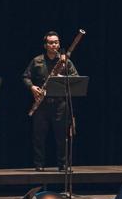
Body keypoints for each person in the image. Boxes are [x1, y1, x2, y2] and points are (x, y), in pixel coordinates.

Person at [22, 31, 79, 171]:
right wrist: (32, 87)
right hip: (42, 104)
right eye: (51, 42)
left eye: (56, 42)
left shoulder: (65, 61)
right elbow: (26, 77)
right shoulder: (37, 61)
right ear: (45, 45)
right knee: (39, 136)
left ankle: (63, 164)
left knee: (62, 136)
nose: (54, 45)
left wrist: (61, 77)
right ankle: (39, 165)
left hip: (60, 104)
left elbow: (76, 78)